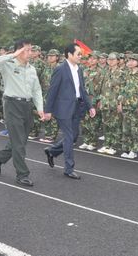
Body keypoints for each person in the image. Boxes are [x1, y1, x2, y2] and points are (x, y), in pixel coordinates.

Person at [0, 40, 44, 187]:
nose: (30, 53)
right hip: (12, 105)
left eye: (31, 50)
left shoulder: (32, 69)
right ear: (19, 51)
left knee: (21, 140)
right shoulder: (8, 65)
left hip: (27, 106)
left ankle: (0, 157)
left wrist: (40, 108)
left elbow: (37, 90)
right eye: (27, 50)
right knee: (19, 143)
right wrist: (13, 55)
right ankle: (22, 174)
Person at [43, 43, 96, 179]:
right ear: (69, 55)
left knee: (73, 136)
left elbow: (82, 90)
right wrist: (47, 110)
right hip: (63, 109)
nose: (81, 56)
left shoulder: (79, 69)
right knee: (68, 138)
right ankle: (68, 168)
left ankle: (52, 151)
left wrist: (90, 106)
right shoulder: (60, 69)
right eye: (78, 54)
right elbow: (52, 90)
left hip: (77, 107)